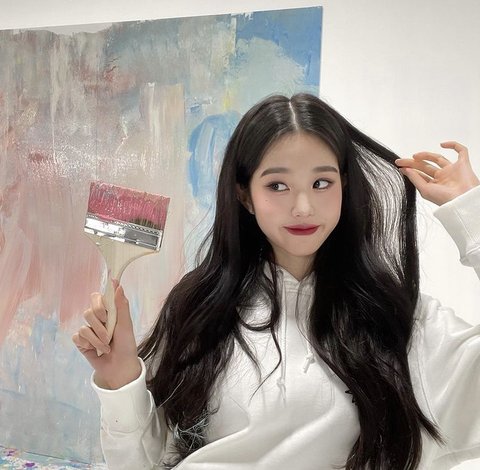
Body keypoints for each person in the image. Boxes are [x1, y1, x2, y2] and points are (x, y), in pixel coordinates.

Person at [72, 93, 480, 470]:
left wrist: (471, 212)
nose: (303, 207)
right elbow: (140, 463)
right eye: (277, 185)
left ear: (344, 186)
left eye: (321, 183)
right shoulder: (198, 307)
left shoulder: (397, 320)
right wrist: (120, 379)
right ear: (245, 196)